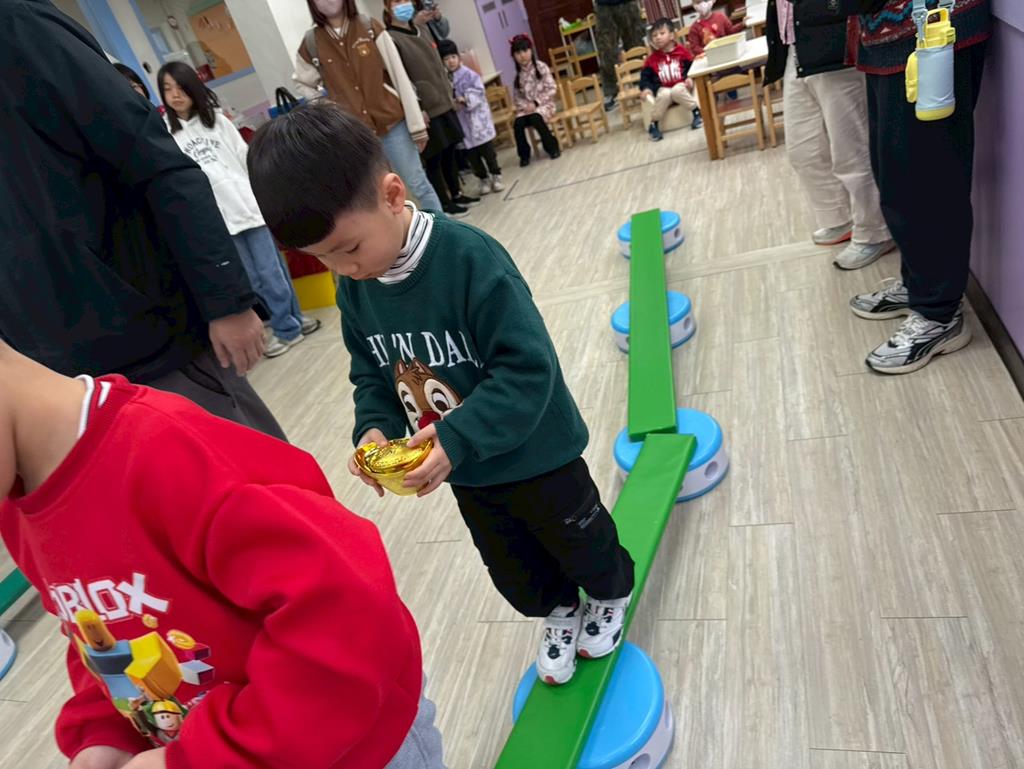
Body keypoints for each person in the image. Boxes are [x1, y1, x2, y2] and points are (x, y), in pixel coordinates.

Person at [247, 102, 636, 687]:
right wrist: (374, 429)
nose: (342, 270)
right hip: (466, 469)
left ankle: (609, 594)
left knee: (578, 537)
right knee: (511, 564)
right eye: (323, 259)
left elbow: (529, 370)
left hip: (537, 451)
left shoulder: (470, 259)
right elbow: (371, 374)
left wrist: (454, 438)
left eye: (348, 249)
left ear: (393, 195)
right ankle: (560, 609)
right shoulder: (357, 288)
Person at [0, 340, 445, 769]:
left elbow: (348, 611)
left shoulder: (170, 455)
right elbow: (99, 628)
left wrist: (208, 756)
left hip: (354, 748)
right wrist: (105, 734)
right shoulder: (17, 501)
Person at [0, 0, 283, 440]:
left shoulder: (17, 25)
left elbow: (154, 161)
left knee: (250, 472)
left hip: (147, 344)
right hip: (48, 386)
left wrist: (226, 300)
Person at [839, 0, 990, 374]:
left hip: (931, 24)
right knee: (896, 176)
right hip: (887, 32)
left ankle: (940, 314)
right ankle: (919, 287)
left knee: (929, 179)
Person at [158, 62, 321, 358]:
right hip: (218, 219)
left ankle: (288, 327)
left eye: (180, 87)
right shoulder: (169, 135)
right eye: (167, 89)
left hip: (247, 208)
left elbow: (245, 158)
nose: (175, 95)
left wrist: (262, 195)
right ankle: (291, 319)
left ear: (193, 88)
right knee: (253, 280)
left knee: (272, 272)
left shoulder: (218, 122)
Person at [764, 0, 894, 270]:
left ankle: (875, 231)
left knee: (851, 151)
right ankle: (839, 217)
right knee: (803, 151)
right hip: (795, 49)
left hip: (835, 50)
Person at [293, 0, 443, 213]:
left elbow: (399, 74)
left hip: (392, 123)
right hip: (354, 135)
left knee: (417, 183)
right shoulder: (312, 42)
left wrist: (416, 124)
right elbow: (302, 82)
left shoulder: (369, 27)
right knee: (378, 197)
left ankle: (439, 228)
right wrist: (326, 107)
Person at [384, 0, 478, 216]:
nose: (403, 4)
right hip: (425, 108)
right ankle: (443, 204)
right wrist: (418, 108)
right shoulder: (391, 38)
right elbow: (402, 78)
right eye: (397, 1)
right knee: (434, 158)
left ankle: (456, 194)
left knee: (450, 151)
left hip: (443, 100)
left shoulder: (422, 29)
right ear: (388, 7)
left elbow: (437, 60)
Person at [439, 39, 504, 196]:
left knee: (488, 153)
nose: (450, 61)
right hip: (462, 124)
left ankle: (496, 175)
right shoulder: (445, 79)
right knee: (472, 156)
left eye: (453, 57)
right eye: (446, 59)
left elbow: (479, 92)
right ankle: (483, 178)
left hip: (477, 121)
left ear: (458, 57)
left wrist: (465, 99)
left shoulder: (470, 74)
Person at [639, 18, 702, 142]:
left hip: (681, 86)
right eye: (654, 36)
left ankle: (696, 112)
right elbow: (645, 77)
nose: (658, 37)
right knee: (664, 94)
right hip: (663, 89)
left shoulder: (682, 52)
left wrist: (690, 78)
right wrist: (646, 88)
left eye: (662, 33)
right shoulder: (651, 59)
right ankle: (654, 124)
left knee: (676, 90)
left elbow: (692, 67)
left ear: (672, 35)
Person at [510, 35, 561, 168]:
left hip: (544, 105)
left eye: (525, 51)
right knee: (517, 123)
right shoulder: (518, 75)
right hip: (526, 109)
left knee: (536, 118)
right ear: (514, 56)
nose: (522, 55)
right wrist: (525, 106)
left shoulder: (541, 67)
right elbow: (517, 98)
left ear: (531, 50)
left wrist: (536, 103)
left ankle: (552, 148)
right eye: (518, 53)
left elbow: (552, 88)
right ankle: (524, 155)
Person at [594, 0, 645, 110]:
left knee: (635, 45)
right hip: (603, 7)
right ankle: (610, 92)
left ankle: (642, 82)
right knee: (606, 51)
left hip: (628, 4)